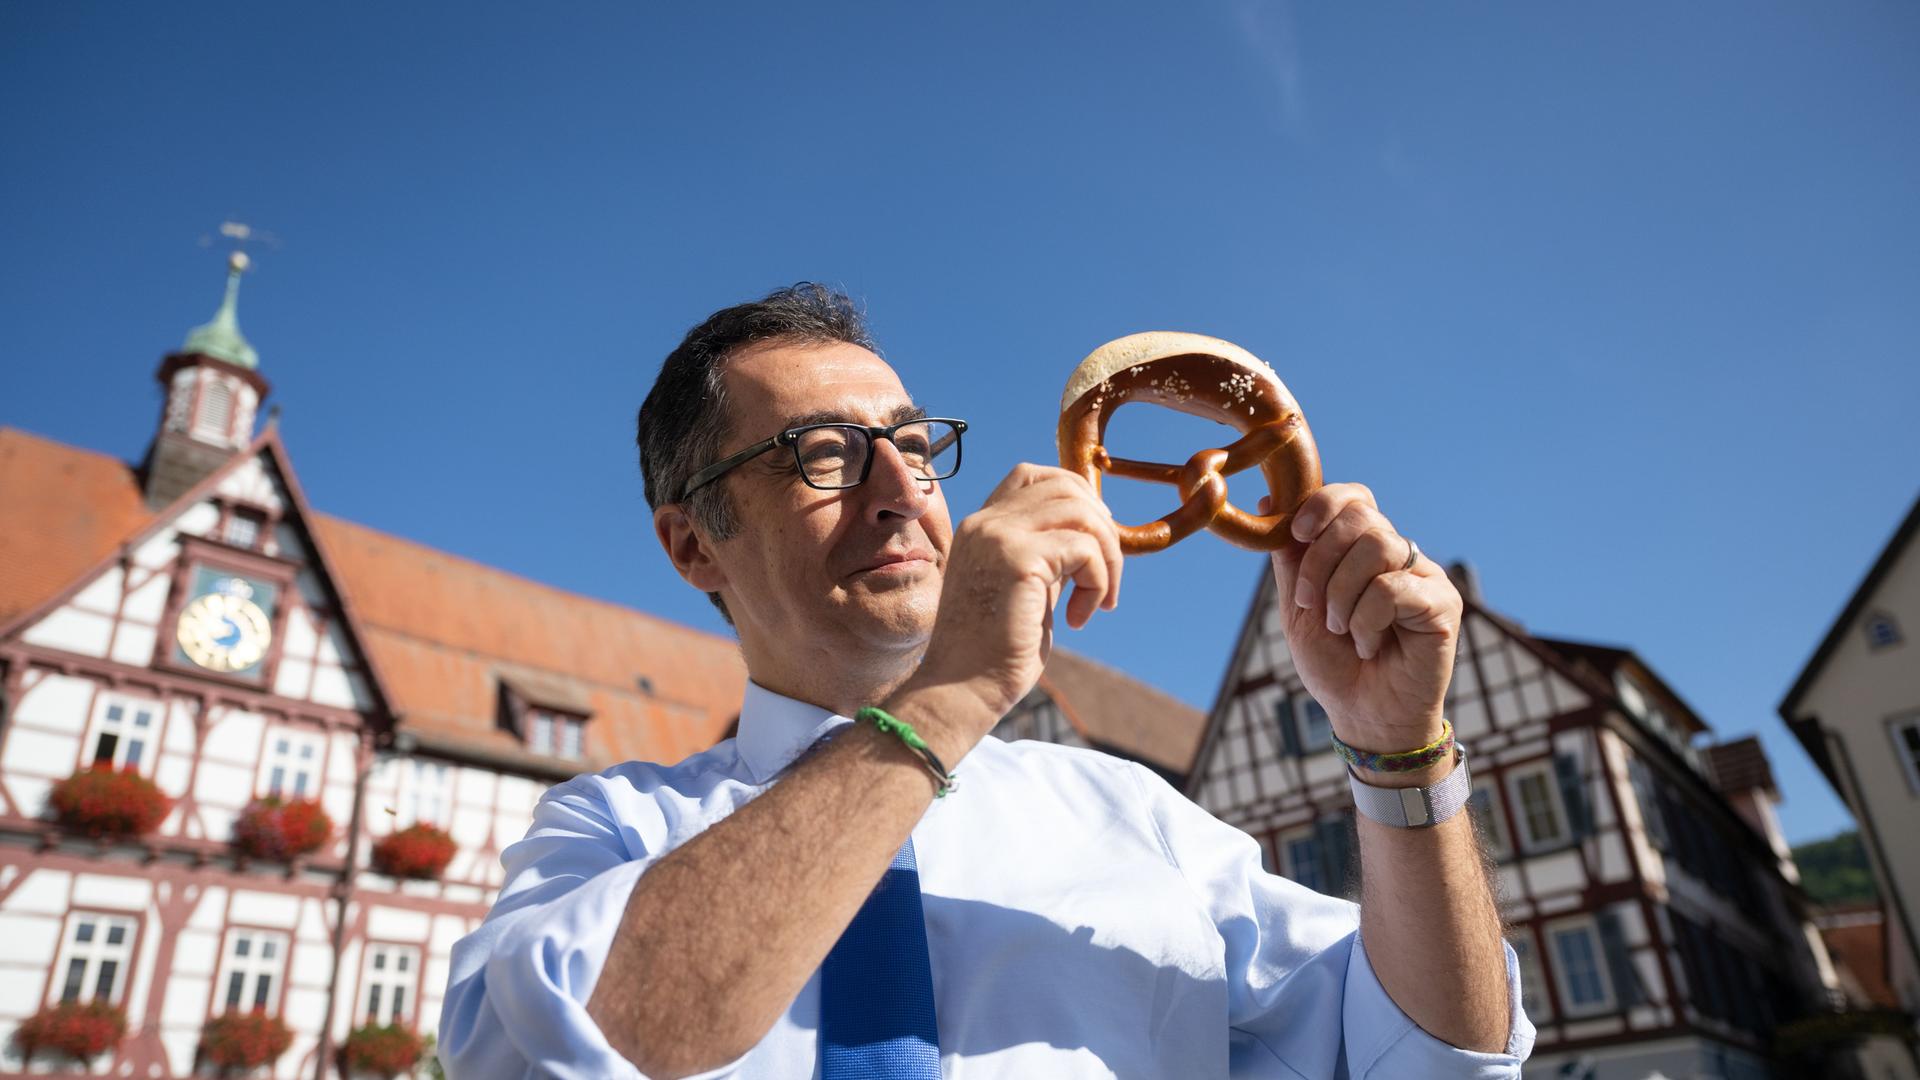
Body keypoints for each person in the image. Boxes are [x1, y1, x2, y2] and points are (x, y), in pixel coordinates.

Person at [439, 284, 1534, 1079]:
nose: (898, 489)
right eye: (825, 452)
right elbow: (563, 1047)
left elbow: (1445, 1061)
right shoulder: (613, 831)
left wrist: (1398, 752)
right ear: (693, 547)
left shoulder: (1135, 817)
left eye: (915, 446)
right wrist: (950, 695)